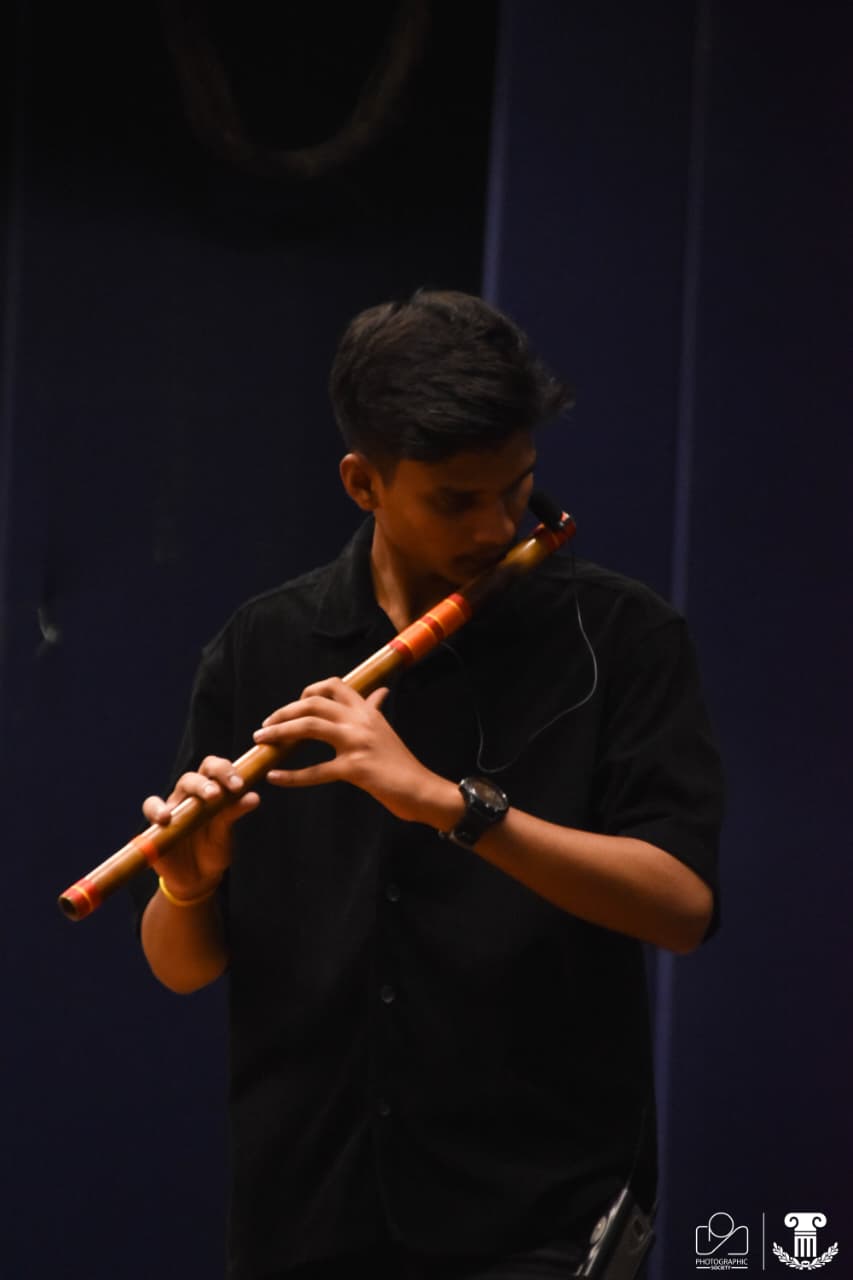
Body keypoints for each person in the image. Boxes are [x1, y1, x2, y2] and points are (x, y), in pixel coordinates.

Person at [135, 290, 724, 1280]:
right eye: (455, 500)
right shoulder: (266, 645)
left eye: (516, 488)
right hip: (307, 1210)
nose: (497, 525)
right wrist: (185, 888)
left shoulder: (622, 637)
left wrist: (451, 804)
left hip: (537, 1213)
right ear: (362, 483)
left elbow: (680, 907)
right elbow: (181, 967)